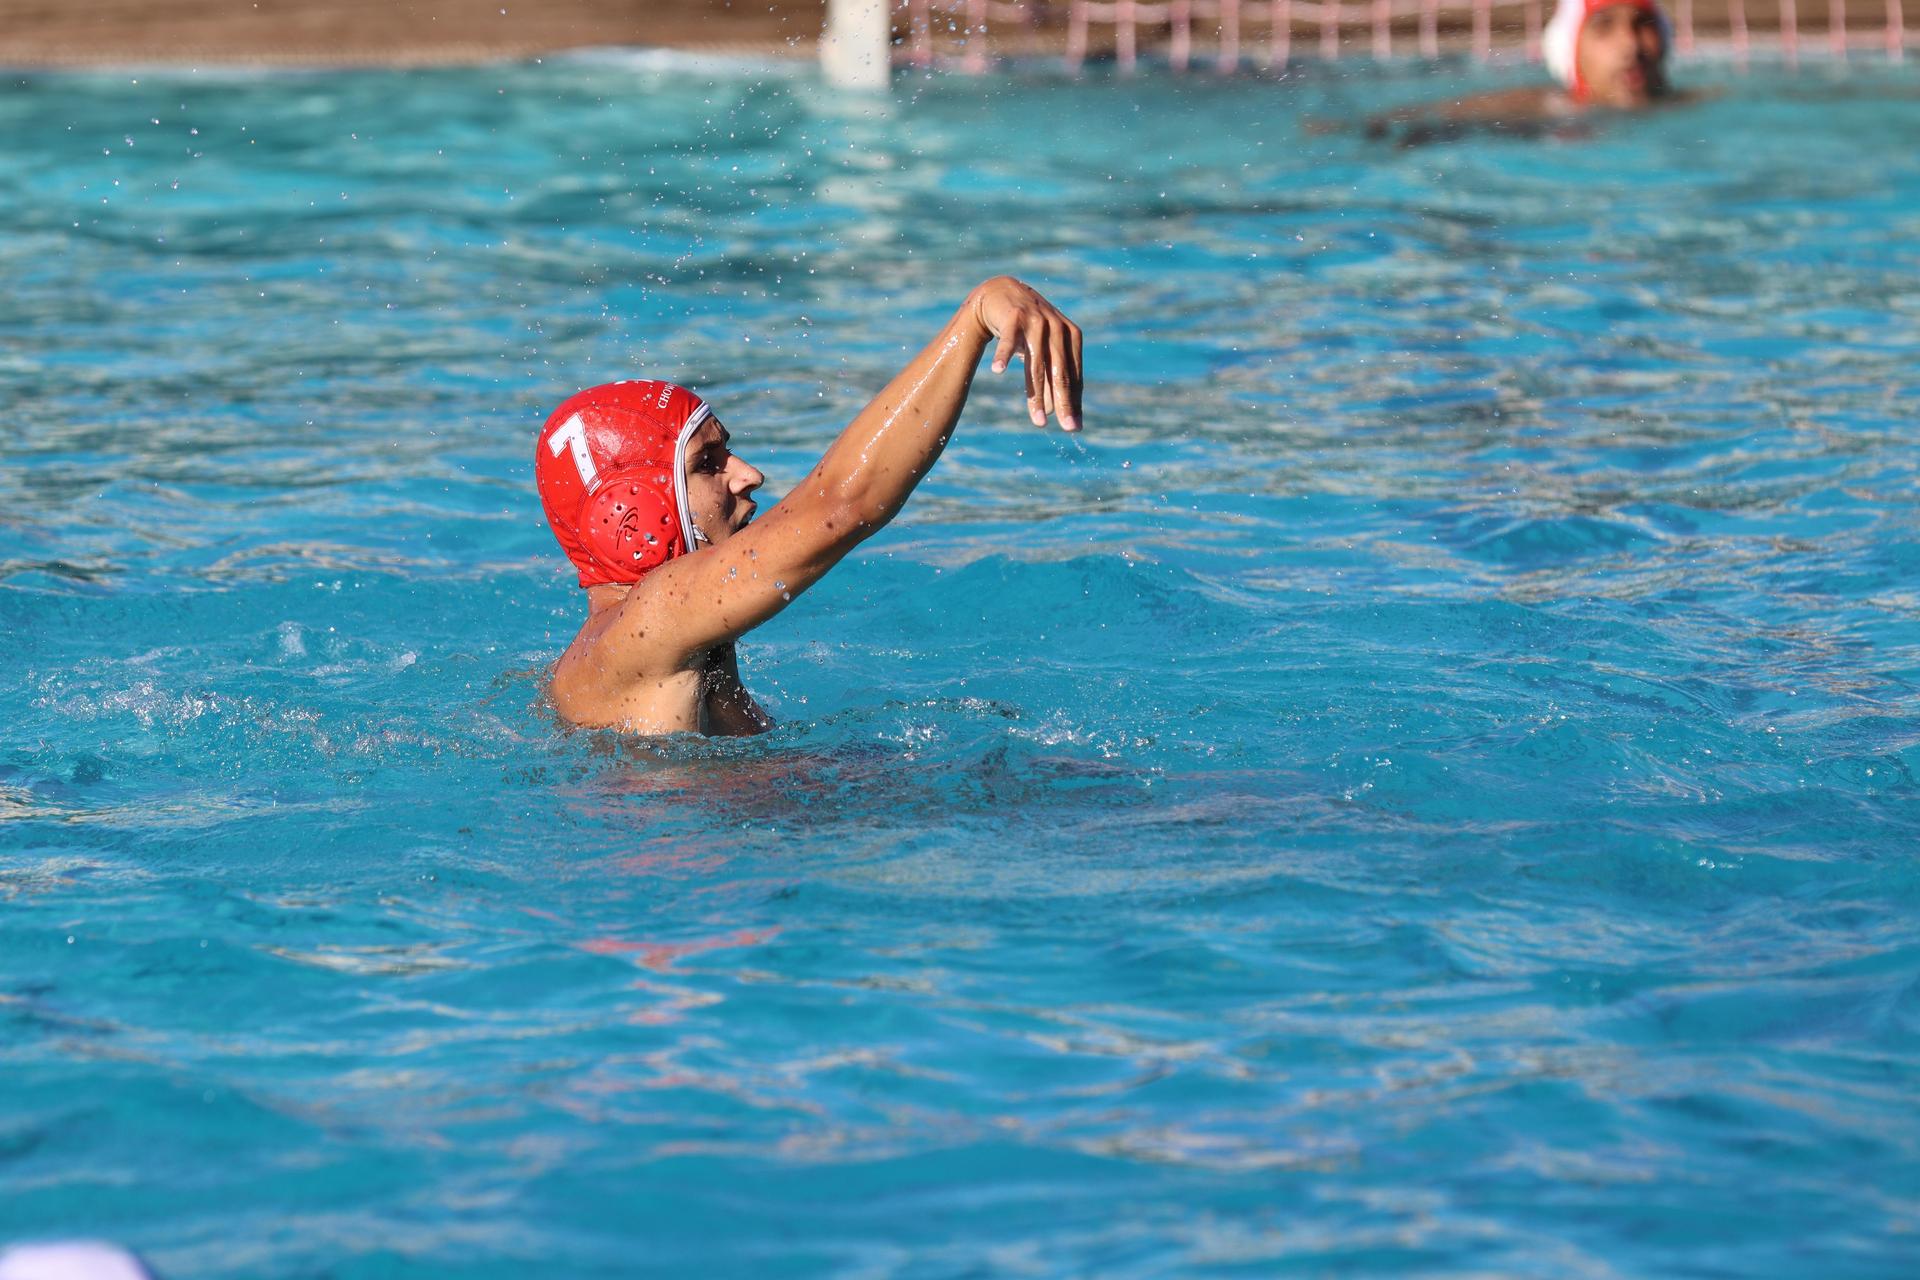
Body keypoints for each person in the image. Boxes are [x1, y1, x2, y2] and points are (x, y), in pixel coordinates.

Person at [534, 276, 1084, 736]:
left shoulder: (637, 651)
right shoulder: (651, 618)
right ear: (627, 518)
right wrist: (976, 316)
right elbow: (844, 505)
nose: (749, 475)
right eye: (708, 464)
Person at [1352, 0, 1683, 146]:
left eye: (1643, 24)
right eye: (1603, 28)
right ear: (1568, 49)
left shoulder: (1699, 104)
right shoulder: (1535, 107)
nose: (1630, 46)